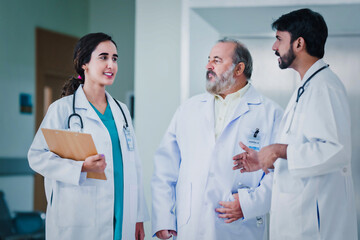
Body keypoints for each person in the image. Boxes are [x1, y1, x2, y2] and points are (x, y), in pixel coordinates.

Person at [233, 8, 358, 240]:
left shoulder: (324, 87)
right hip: (300, 220)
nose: (274, 47)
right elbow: (305, 151)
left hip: (316, 227)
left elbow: (335, 150)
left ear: (299, 43)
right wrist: (265, 159)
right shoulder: (307, 87)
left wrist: (279, 150)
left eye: (279, 39)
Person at [151, 39, 283, 239]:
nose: (208, 66)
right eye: (209, 59)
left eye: (217, 60)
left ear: (238, 68)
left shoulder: (270, 113)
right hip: (191, 224)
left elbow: (281, 172)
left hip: (239, 226)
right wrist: (163, 217)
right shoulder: (189, 109)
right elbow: (165, 169)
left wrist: (249, 204)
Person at [28, 32, 149, 240]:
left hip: (121, 213)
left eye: (115, 58)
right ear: (84, 63)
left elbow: (134, 166)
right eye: (103, 57)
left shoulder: (121, 111)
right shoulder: (62, 110)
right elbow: (37, 156)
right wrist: (80, 167)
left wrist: (138, 216)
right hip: (78, 216)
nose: (111, 65)